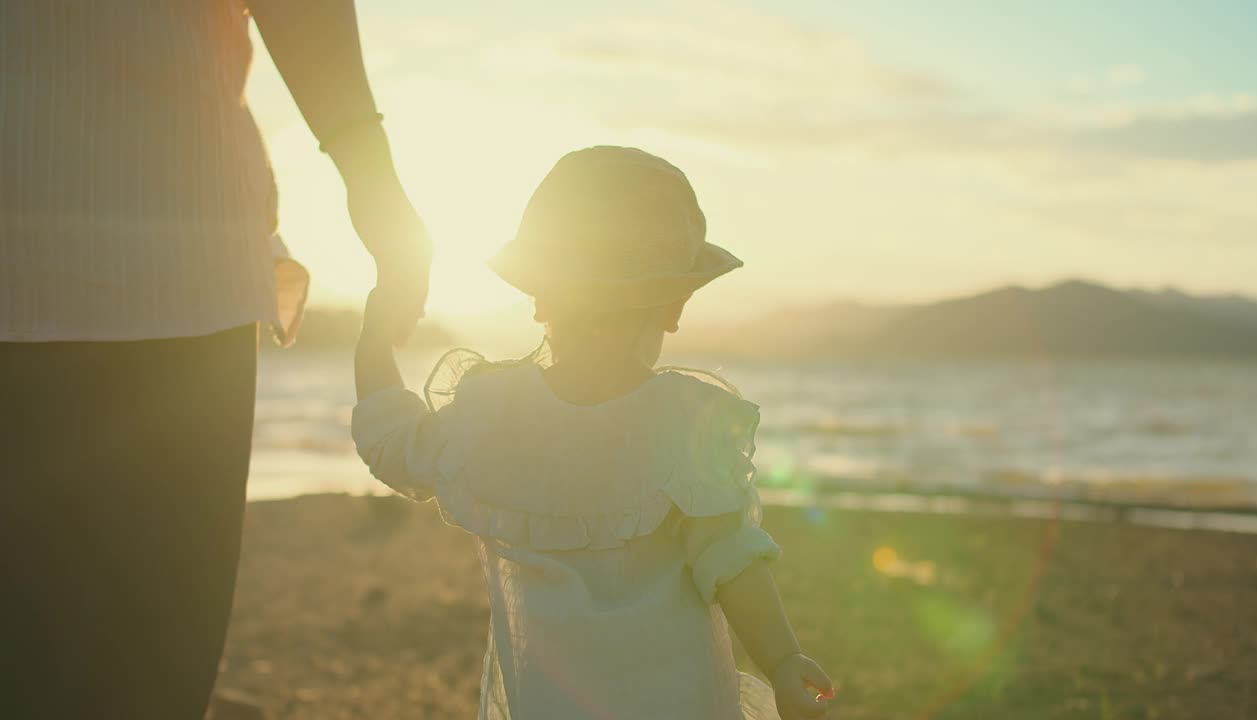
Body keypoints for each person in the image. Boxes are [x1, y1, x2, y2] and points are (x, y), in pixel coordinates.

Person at [0, 1, 428, 717]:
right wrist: (371, 176)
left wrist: (372, 176)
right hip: (170, 245)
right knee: (143, 670)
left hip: (171, 252)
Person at [352, 146, 834, 719]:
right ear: (673, 306)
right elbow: (731, 560)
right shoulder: (686, 421)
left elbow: (391, 442)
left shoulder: (490, 413)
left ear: (540, 299)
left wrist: (373, 342)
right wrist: (782, 661)